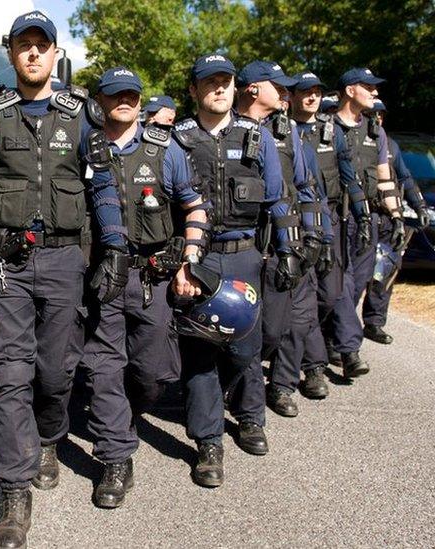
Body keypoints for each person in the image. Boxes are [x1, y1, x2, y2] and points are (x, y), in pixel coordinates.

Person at [0, 11, 125, 547]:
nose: (32, 55)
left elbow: (103, 188)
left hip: (66, 260)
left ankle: (50, 435)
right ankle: (12, 495)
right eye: (23, 46)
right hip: (4, 263)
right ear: (12, 54)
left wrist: (113, 246)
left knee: (54, 372)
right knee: (12, 373)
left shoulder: (82, 115)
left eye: (41, 46)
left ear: (54, 53)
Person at [171, 53, 300, 487]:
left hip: (247, 254)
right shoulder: (177, 139)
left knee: (249, 344)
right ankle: (208, 441)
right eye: (210, 82)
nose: (220, 88)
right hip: (200, 258)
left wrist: (287, 250)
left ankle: (250, 417)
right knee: (201, 350)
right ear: (194, 91)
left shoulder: (258, 138)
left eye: (226, 81)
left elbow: (279, 200)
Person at [83, 67, 209, 508]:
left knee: (153, 372)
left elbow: (194, 207)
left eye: (132, 95)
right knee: (103, 367)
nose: (125, 101)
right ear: (100, 99)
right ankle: (116, 457)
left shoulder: (164, 150)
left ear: (140, 100)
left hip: (149, 279)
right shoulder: (85, 146)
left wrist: (189, 262)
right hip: (97, 278)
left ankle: (127, 414)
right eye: (115, 94)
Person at [231, 61, 321, 418]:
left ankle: (279, 385)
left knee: (278, 330)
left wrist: (314, 235)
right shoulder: (223, 127)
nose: (286, 95)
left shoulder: (287, 132)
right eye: (279, 87)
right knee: (244, 333)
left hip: (282, 244)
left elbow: (304, 184)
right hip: (240, 247)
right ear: (253, 89)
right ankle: (245, 405)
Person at [290, 71, 367, 398]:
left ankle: (313, 345)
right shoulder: (281, 131)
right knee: (302, 298)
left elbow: (349, 176)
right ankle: (313, 369)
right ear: (292, 95)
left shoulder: (331, 131)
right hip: (294, 222)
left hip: (330, 219)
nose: (312, 97)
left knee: (331, 293)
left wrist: (363, 215)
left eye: (317, 92)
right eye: (305, 92)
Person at [328, 68, 405, 377]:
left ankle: (332, 339)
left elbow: (385, 177)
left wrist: (396, 216)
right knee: (341, 283)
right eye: (368, 87)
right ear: (349, 90)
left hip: (368, 219)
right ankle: (350, 350)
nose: (375, 92)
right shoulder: (327, 128)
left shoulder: (376, 131)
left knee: (358, 283)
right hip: (336, 217)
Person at [361, 100, 430, 344]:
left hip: (389, 219)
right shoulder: (356, 141)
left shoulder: (391, 145)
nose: (377, 118)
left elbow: (405, 177)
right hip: (362, 218)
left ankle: (374, 322)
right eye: (372, 113)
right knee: (354, 278)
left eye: (380, 114)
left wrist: (418, 204)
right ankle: (336, 336)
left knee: (385, 271)